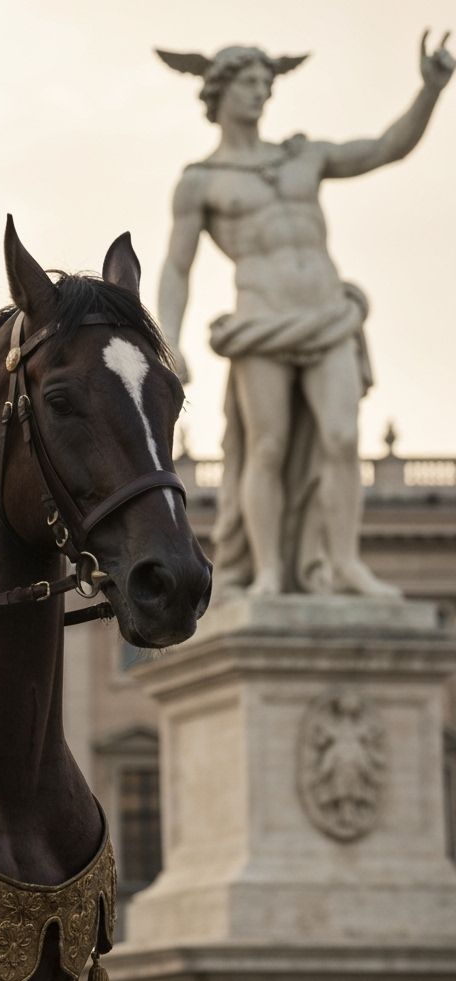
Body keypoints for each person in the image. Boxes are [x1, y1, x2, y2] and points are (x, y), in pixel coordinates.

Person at [157, 33, 453, 597]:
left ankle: (343, 563)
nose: (261, 92)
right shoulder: (201, 180)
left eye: (267, 83)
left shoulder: (302, 156)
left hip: (326, 314)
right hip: (261, 322)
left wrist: (430, 91)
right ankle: (269, 571)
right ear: (218, 90)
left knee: (340, 439)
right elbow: (177, 266)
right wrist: (170, 338)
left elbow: (386, 147)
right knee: (266, 448)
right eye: (249, 82)